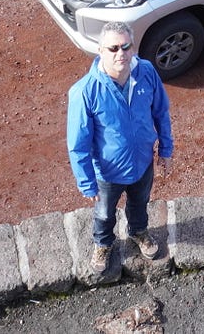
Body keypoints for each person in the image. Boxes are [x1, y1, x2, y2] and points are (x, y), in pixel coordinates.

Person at [66, 21, 174, 271]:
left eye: (126, 46)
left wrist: (166, 150)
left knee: (139, 203)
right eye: (113, 48)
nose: (120, 54)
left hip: (142, 162)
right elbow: (77, 143)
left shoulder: (146, 72)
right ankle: (103, 243)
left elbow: (161, 112)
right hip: (107, 172)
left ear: (133, 47)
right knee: (104, 213)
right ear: (100, 50)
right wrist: (86, 181)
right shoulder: (84, 92)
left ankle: (138, 231)